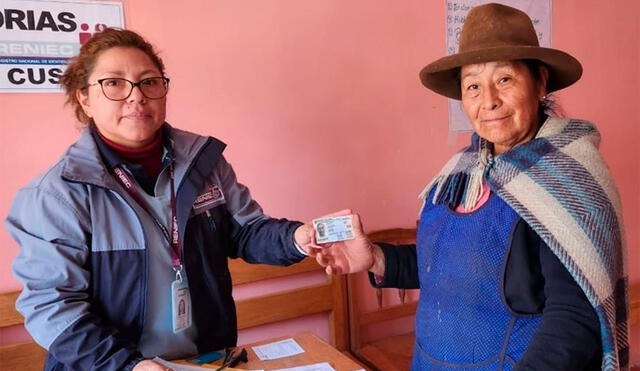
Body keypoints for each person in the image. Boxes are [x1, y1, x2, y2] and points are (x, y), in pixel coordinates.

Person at [314, 4, 628, 370]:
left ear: (540, 82)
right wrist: (376, 258)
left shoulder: (569, 179)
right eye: (473, 86)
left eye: (505, 80)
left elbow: (575, 318)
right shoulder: (463, 172)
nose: (488, 100)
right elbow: (450, 267)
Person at [6, 28, 324, 371]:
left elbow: (245, 231)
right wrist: (129, 366)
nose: (136, 97)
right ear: (84, 97)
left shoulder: (205, 162)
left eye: (149, 82)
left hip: (203, 361)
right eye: (113, 83)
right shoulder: (56, 195)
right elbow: (53, 306)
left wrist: (297, 238)